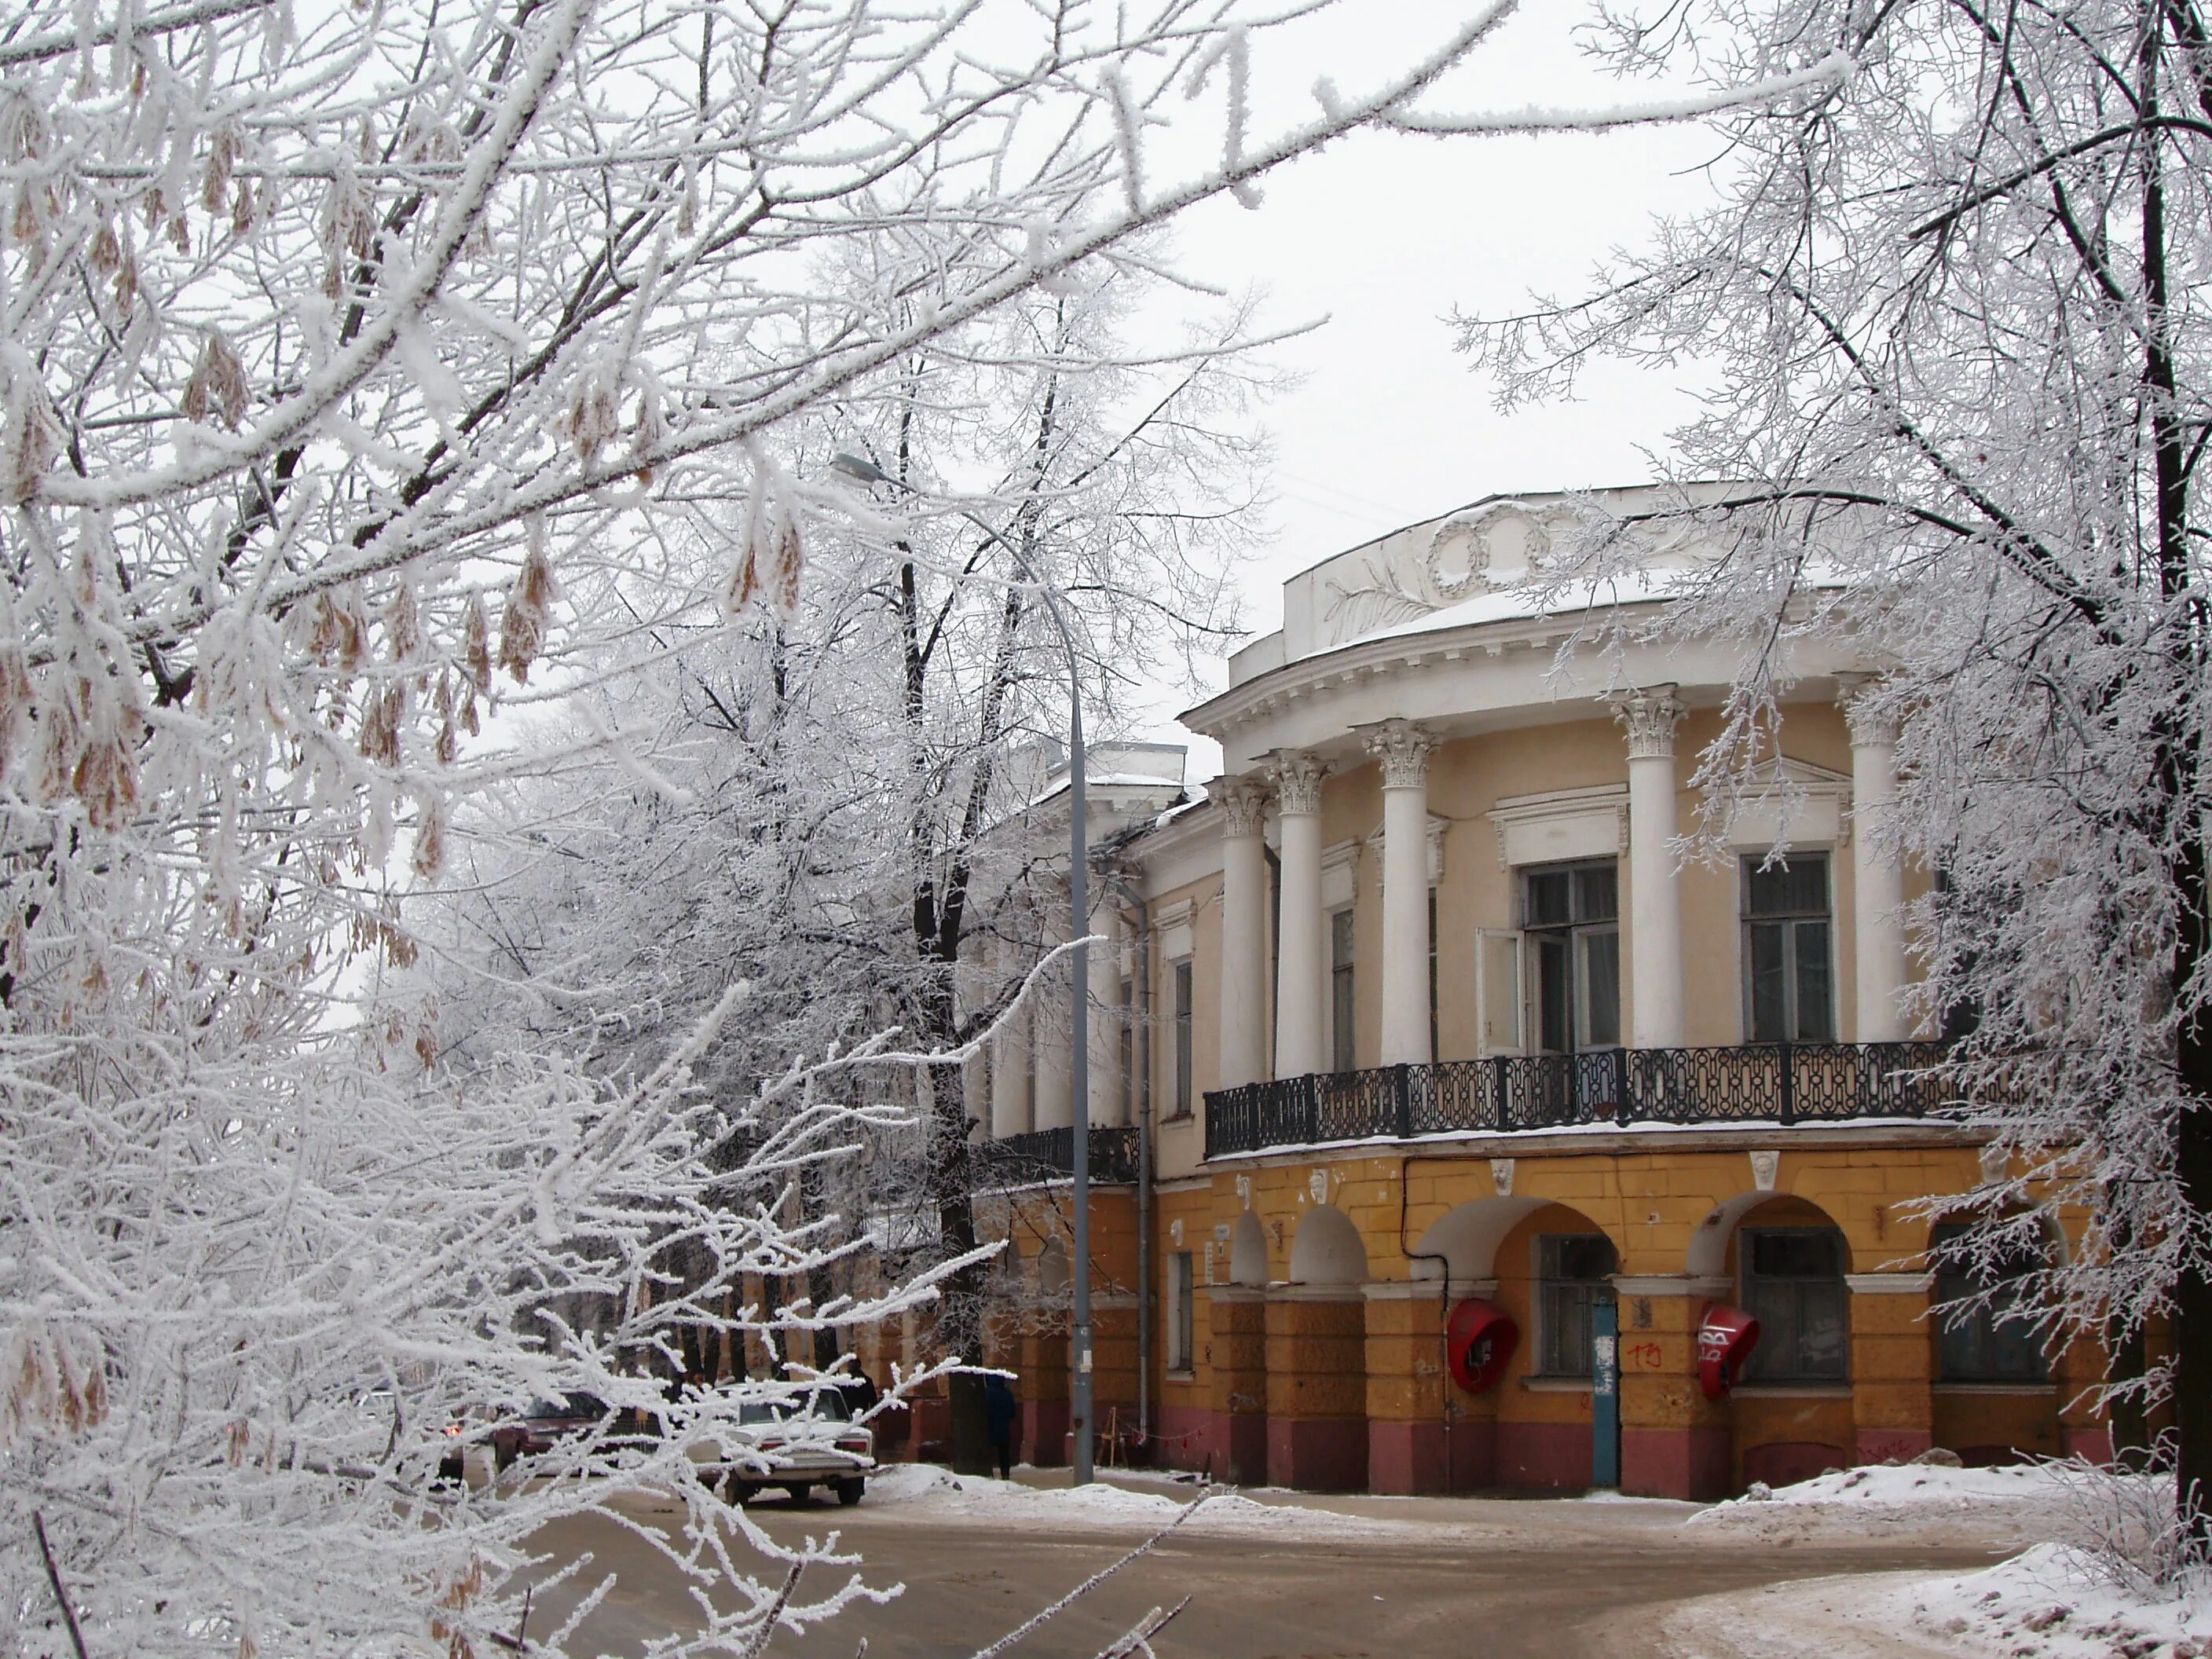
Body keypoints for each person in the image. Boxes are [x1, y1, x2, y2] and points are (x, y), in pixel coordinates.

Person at [982, 1373, 1018, 1481]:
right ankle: (1005, 1474)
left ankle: (987, 1472)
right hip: (1004, 1428)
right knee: (1004, 1453)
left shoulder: (985, 1393)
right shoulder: (1007, 1394)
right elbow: (1012, 1412)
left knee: (987, 1450)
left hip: (989, 1428)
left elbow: (982, 1411)